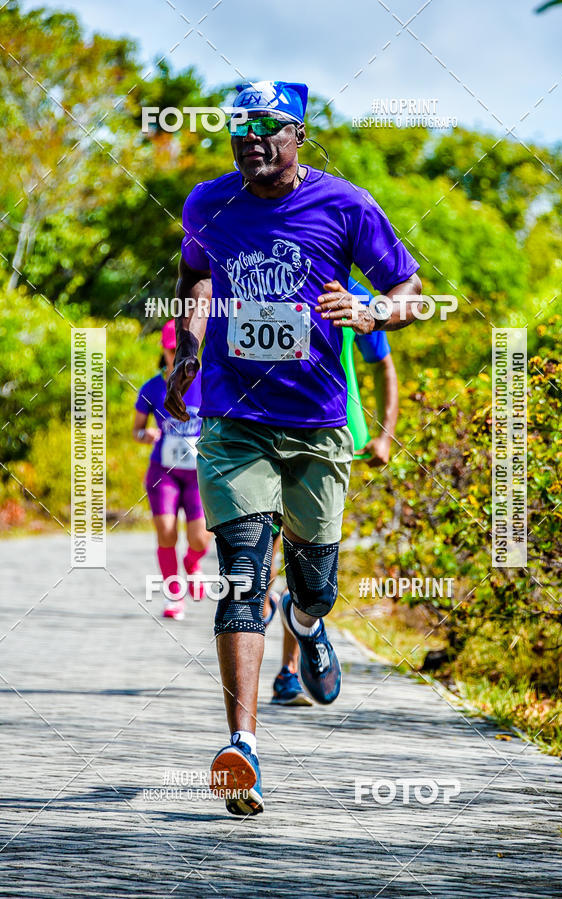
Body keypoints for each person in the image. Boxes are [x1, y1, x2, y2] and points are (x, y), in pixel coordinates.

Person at [165, 80, 423, 816]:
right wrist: (187, 349)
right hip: (234, 419)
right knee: (244, 573)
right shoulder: (208, 203)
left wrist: (371, 310)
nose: (251, 139)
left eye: (268, 128)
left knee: (314, 579)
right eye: (239, 127)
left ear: (299, 134)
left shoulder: (347, 205)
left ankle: (308, 625)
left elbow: (406, 290)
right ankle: (242, 747)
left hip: (318, 425)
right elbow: (194, 273)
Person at [267, 277, 399, 706]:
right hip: (259, 430)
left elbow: (383, 365)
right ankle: (266, 604)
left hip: (331, 434)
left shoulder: (354, 295)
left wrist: (385, 435)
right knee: (264, 543)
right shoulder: (258, 275)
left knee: (303, 554)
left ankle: (290, 670)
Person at [133, 320, 211, 621]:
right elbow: (137, 431)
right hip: (164, 472)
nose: (175, 357)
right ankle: (174, 594)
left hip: (197, 474)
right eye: (170, 351)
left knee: (200, 539)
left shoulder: (207, 382)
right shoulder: (152, 387)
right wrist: (146, 436)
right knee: (166, 532)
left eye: (180, 351)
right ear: (163, 352)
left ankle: (192, 563)